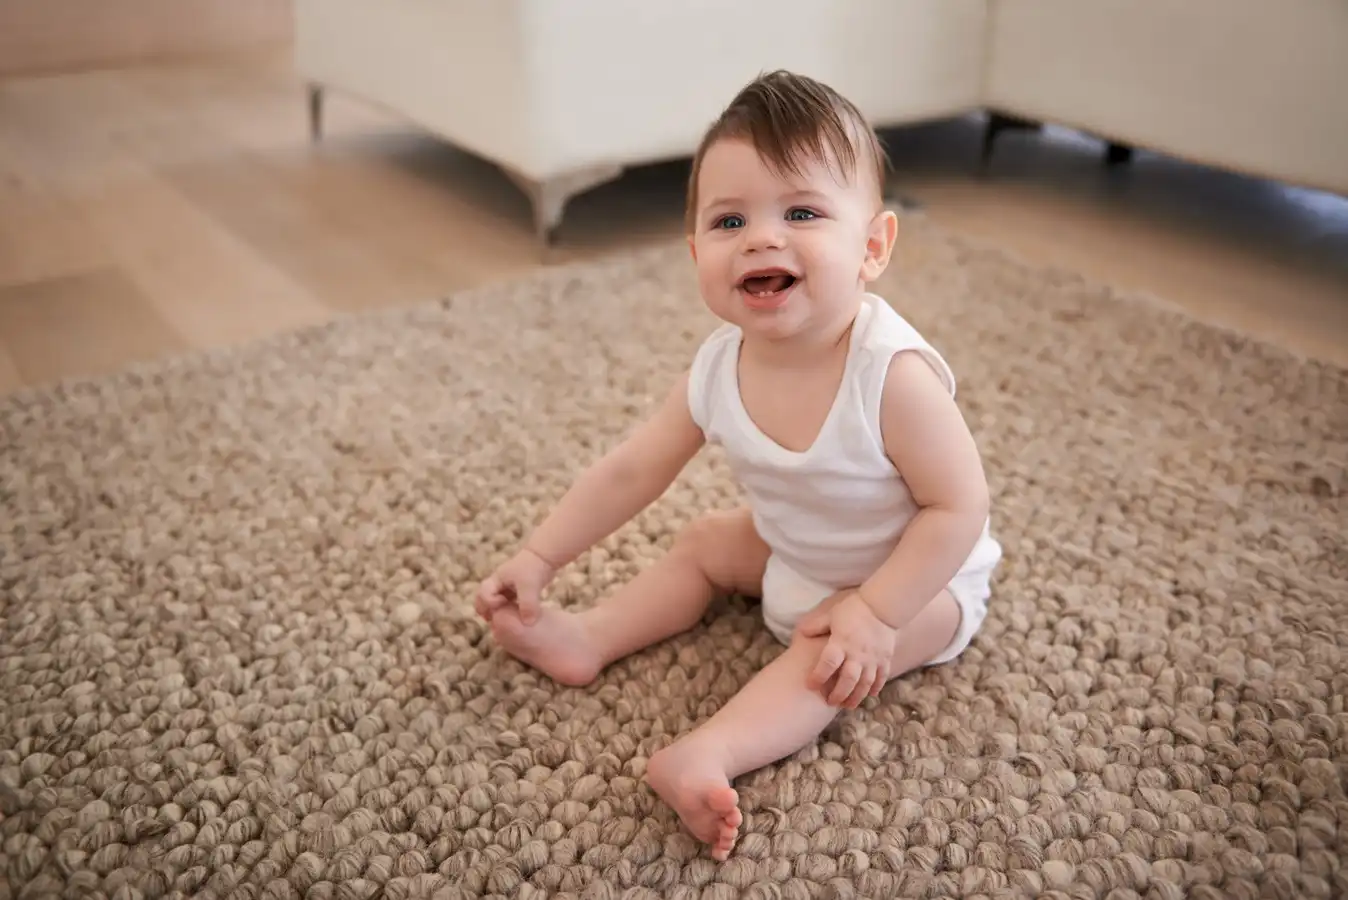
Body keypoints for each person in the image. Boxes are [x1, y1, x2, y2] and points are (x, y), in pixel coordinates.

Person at [474, 69, 1003, 861]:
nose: (762, 237)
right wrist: (542, 553)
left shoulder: (892, 374)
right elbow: (632, 471)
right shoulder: (718, 367)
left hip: (919, 583)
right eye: (730, 220)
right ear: (696, 252)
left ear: (872, 248)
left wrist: (876, 611)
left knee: (822, 665)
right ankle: (588, 637)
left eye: (801, 212)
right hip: (798, 550)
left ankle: (709, 752)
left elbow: (957, 509)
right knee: (702, 545)